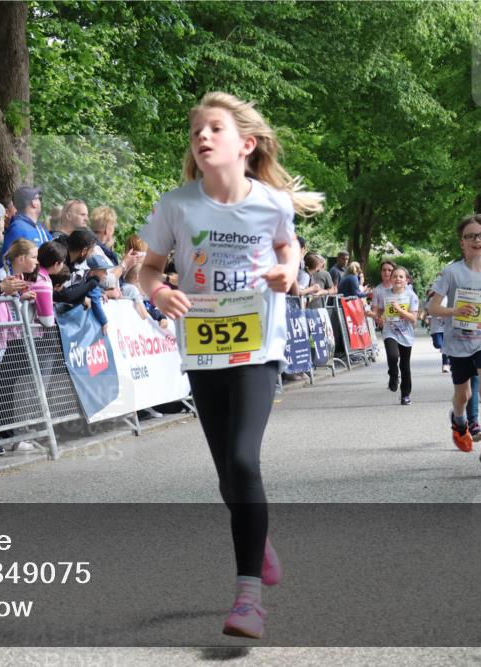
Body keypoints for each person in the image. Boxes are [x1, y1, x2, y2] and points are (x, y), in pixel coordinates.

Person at [138, 90, 323, 639]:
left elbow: (288, 250)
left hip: (257, 347)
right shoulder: (176, 205)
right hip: (203, 346)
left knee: (243, 460)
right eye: (197, 130)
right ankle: (257, 533)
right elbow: (148, 268)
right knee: (227, 473)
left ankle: (248, 599)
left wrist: (286, 272)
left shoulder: (271, 202)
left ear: (246, 143)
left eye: (214, 128)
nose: (202, 137)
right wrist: (158, 293)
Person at [428, 214, 481, 470]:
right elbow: (433, 307)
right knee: (463, 394)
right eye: (471, 236)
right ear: (462, 243)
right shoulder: (452, 272)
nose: (477, 240)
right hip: (458, 342)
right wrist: (455, 311)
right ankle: (457, 420)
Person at [382, 266, 419, 405]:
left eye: (401, 277)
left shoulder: (411, 296)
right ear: (390, 279)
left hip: (406, 334)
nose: (398, 279)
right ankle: (393, 374)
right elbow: (380, 310)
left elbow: (413, 318)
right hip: (390, 331)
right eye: (395, 276)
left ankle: (405, 395)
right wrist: (376, 315)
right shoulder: (385, 294)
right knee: (393, 356)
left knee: (405, 365)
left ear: (407, 280)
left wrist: (398, 309)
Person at [2, 185, 50, 256]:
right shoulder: (18, 229)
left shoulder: (38, 227)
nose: (40, 202)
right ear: (34, 203)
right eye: (39, 198)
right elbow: (6, 263)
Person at [370, 260, 397, 328]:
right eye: (384, 270)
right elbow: (375, 312)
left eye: (389, 270)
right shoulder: (377, 290)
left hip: (402, 325)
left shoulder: (400, 287)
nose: (386, 272)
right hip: (386, 326)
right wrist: (376, 318)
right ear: (381, 272)